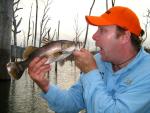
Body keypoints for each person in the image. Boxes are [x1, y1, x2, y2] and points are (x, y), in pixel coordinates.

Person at [28, 6, 150, 113]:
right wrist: (44, 85)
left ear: (124, 37)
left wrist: (91, 72)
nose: (94, 36)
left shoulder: (147, 73)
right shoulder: (98, 61)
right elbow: (71, 103)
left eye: (102, 30)